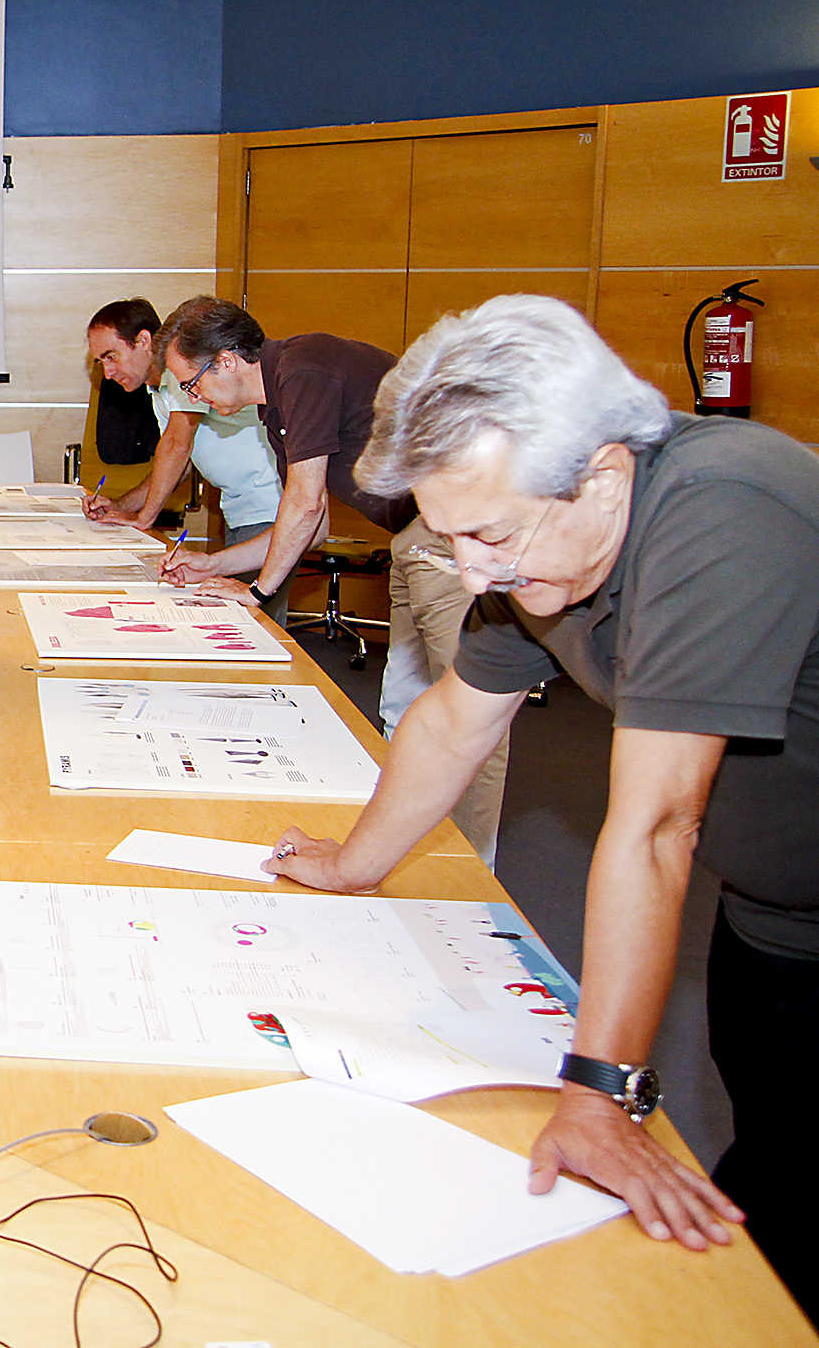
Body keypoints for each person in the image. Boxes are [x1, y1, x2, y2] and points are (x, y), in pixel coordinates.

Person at [267, 294, 819, 1302]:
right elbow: (452, 721)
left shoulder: (723, 512)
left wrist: (600, 1093)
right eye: (449, 538)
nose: (473, 571)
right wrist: (351, 865)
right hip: (772, 922)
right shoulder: (541, 555)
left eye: (488, 534)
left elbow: (658, 826)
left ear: (601, 476)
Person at [155, 295, 508, 863]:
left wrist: (259, 592)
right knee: (404, 708)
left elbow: (305, 502)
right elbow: (312, 529)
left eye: (191, 384)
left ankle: (469, 872)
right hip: (414, 535)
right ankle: (396, 848)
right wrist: (214, 565)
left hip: (459, 533)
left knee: (468, 715)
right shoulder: (276, 409)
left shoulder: (303, 369)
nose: (193, 399)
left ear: (225, 361)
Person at [82, 297, 285, 618]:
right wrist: (122, 506)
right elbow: (179, 464)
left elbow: (177, 445)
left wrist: (144, 519)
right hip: (241, 509)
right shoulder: (157, 390)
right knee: (238, 618)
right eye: (100, 362)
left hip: (268, 507)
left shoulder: (182, 375)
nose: (108, 373)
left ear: (143, 341)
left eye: (111, 356)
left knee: (255, 624)